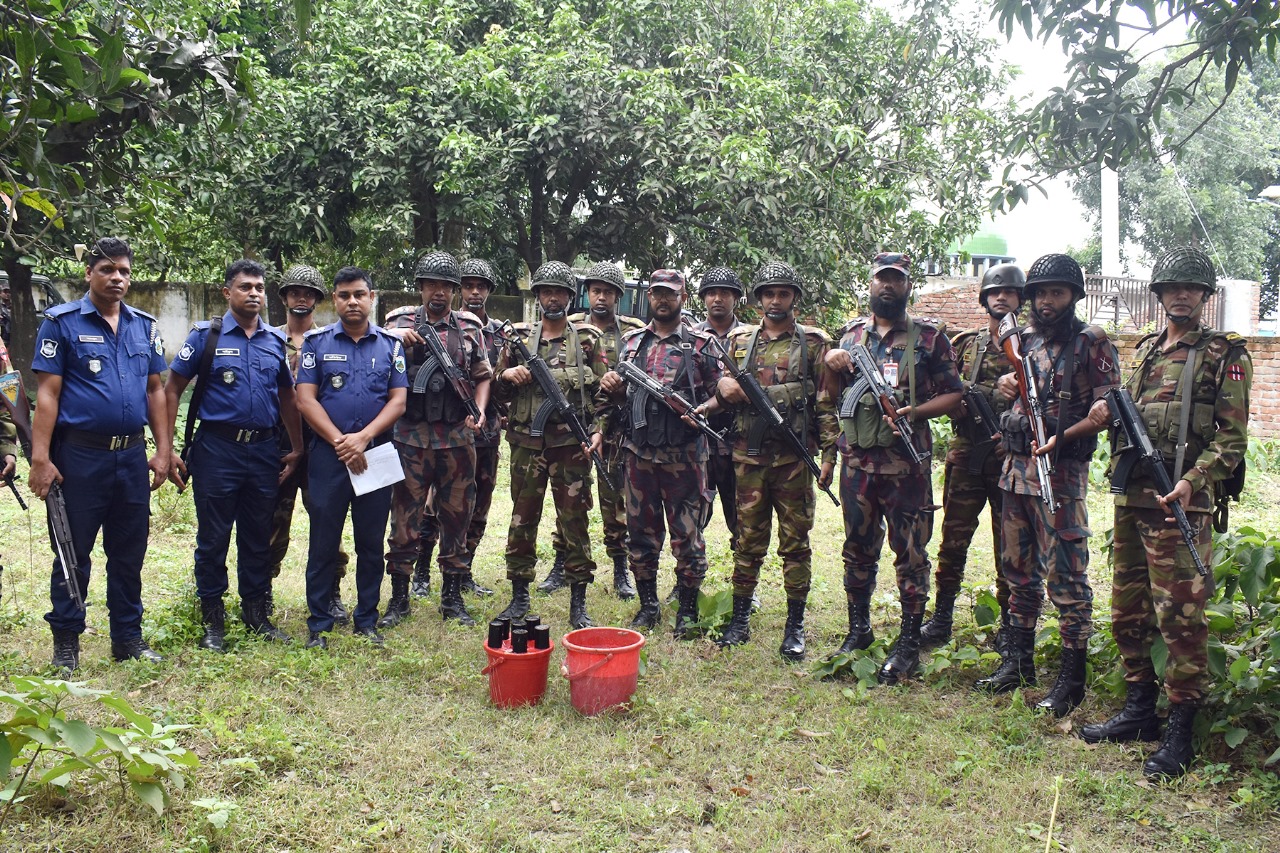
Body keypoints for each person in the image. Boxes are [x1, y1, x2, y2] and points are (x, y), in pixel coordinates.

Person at [1079, 247, 1250, 778]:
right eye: (1172, 287)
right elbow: (1133, 420)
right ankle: (1138, 712)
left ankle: (1180, 726)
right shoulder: (1148, 352)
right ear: (1158, 296)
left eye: (1192, 288)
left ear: (1204, 297)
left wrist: (1191, 480)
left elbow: (1232, 439)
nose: (1181, 295)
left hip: (1182, 502)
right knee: (1128, 609)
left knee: (1180, 616)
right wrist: (1102, 414)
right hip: (1133, 497)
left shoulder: (1226, 355)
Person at [975, 253, 1118, 717]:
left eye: (1057, 292)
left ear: (1074, 296)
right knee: (1017, 570)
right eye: (1040, 293)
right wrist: (1005, 391)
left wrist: (1068, 430)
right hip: (1016, 472)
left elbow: (1108, 408)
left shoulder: (1092, 344)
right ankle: (1018, 662)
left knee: (1067, 576)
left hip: (1061, 475)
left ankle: (1071, 678)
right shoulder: (1025, 341)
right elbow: (1013, 388)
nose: (1047, 301)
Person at [28, 237, 172, 671]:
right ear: (89, 273)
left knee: (129, 551)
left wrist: (164, 451)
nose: (117, 278)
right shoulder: (61, 322)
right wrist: (40, 458)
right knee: (74, 552)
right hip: (79, 458)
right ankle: (67, 641)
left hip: (129, 457)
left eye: (125, 271)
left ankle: (127, 637)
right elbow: (47, 395)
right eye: (108, 270)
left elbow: (155, 391)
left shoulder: (143, 326)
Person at [824, 252, 962, 684]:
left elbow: (955, 395)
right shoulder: (849, 336)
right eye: (882, 279)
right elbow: (831, 395)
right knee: (857, 549)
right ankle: (858, 630)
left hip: (907, 467)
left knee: (912, 555)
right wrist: (830, 362)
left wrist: (915, 412)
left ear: (907, 286)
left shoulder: (930, 338)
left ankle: (907, 643)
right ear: (870, 284)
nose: (888, 287)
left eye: (896, 280)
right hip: (858, 465)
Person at [165, 259, 303, 650]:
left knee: (258, 536)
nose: (255, 293)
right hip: (217, 449)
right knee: (213, 537)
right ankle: (213, 620)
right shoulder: (205, 337)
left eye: (259, 287)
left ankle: (256, 614)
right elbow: (172, 388)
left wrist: (296, 448)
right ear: (228, 293)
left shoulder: (275, 342)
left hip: (262, 450)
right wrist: (172, 447)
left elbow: (288, 397)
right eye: (245, 287)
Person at [709, 262, 837, 660]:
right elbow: (723, 385)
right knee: (747, 541)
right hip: (748, 458)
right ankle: (740, 617)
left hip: (794, 461)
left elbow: (826, 404)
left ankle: (795, 624)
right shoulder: (741, 342)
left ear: (794, 298)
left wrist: (831, 454)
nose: (776, 300)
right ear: (759, 299)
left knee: (795, 544)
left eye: (783, 293)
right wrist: (723, 384)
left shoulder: (814, 343)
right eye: (769, 293)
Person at [599, 270, 721, 638]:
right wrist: (613, 388)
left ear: (683, 297)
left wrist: (702, 410)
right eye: (656, 294)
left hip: (685, 458)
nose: (662, 300)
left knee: (688, 535)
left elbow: (724, 394)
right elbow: (621, 401)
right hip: (639, 456)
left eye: (670, 294)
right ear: (649, 297)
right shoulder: (633, 343)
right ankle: (648, 604)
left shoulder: (701, 345)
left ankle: (686, 608)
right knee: (641, 534)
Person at [295, 267, 407, 648]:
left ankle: (366, 620)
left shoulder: (391, 346)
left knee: (371, 542)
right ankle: (319, 624)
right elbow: (305, 399)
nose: (353, 301)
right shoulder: (316, 343)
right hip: (329, 458)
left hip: (374, 456)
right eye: (344, 295)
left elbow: (399, 400)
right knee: (323, 541)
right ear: (334, 300)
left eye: (360, 294)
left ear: (372, 298)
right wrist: (341, 441)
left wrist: (363, 438)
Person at [380, 251, 492, 629]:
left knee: (456, 517)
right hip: (410, 438)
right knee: (405, 518)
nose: (438, 292)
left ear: (454, 291)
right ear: (421, 288)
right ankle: (398, 597)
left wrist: (478, 410)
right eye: (431, 284)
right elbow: (374, 355)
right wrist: (393, 337)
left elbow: (482, 375)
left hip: (457, 440)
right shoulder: (397, 321)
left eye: (445, 286)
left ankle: (452, 598)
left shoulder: (469, 327)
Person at [492, 261, 606, 628]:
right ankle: (519, 594)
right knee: (522, 520)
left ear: (571, 297)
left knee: (574, 521)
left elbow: (606, 393)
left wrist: (599, 430)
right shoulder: (519, 340)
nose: (552, 297)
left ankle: (578, 600)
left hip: (571, 445)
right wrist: (507, 374)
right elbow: (497, 389)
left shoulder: (587, 340)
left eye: (559, 291)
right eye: (545, 291)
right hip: (527, 444)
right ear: (537, 296)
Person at [920, 264, 1025, 648]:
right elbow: (940, 386)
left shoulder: (1031, 347)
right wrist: (954, 406)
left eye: (1010, 293)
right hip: (966, 453)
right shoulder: (967, 344)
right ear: (983, 299)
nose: (1001, 298)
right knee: (953, 537)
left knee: (1010, 542)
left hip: (1010, 455)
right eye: (994, 292)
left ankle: (1011, 625)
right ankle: (942, 615)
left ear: (1020, 299)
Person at [546, 261, 644, 600]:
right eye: (595, 290)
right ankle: (561, 562)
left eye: (608, 292)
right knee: (570, 498)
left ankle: (620, 568)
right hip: (574, 426)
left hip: (617, 426)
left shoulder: (632, 330)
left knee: (615, 498)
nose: (601, 297)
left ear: (618, 296)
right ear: (586, 294)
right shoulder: (569, 326)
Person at [691, 266, 746, 551]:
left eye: (725, 293)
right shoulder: (689, 336)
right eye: (711, 293)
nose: (717, 298)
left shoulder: (750, 338)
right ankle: (688, 578)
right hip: (699, 438)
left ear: (736, 298)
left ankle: (745, 583)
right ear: (703, 298)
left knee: (742, 516)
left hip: (739, 438)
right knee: (693, 514)